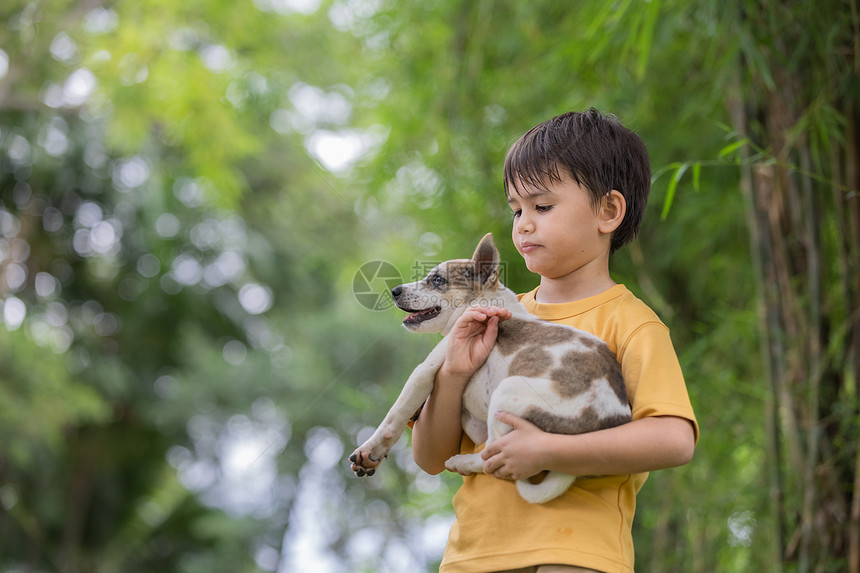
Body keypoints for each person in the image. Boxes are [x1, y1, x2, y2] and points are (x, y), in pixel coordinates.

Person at [410, 108, 699, 573]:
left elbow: (674, 438)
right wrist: (455, 372)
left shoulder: (631, 324)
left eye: (542, 207)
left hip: (576, 554)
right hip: (473, 556)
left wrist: (549, 452)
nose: (523, 223)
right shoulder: (487, 319)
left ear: (608, 211)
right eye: (516, 210)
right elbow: (430, 458)